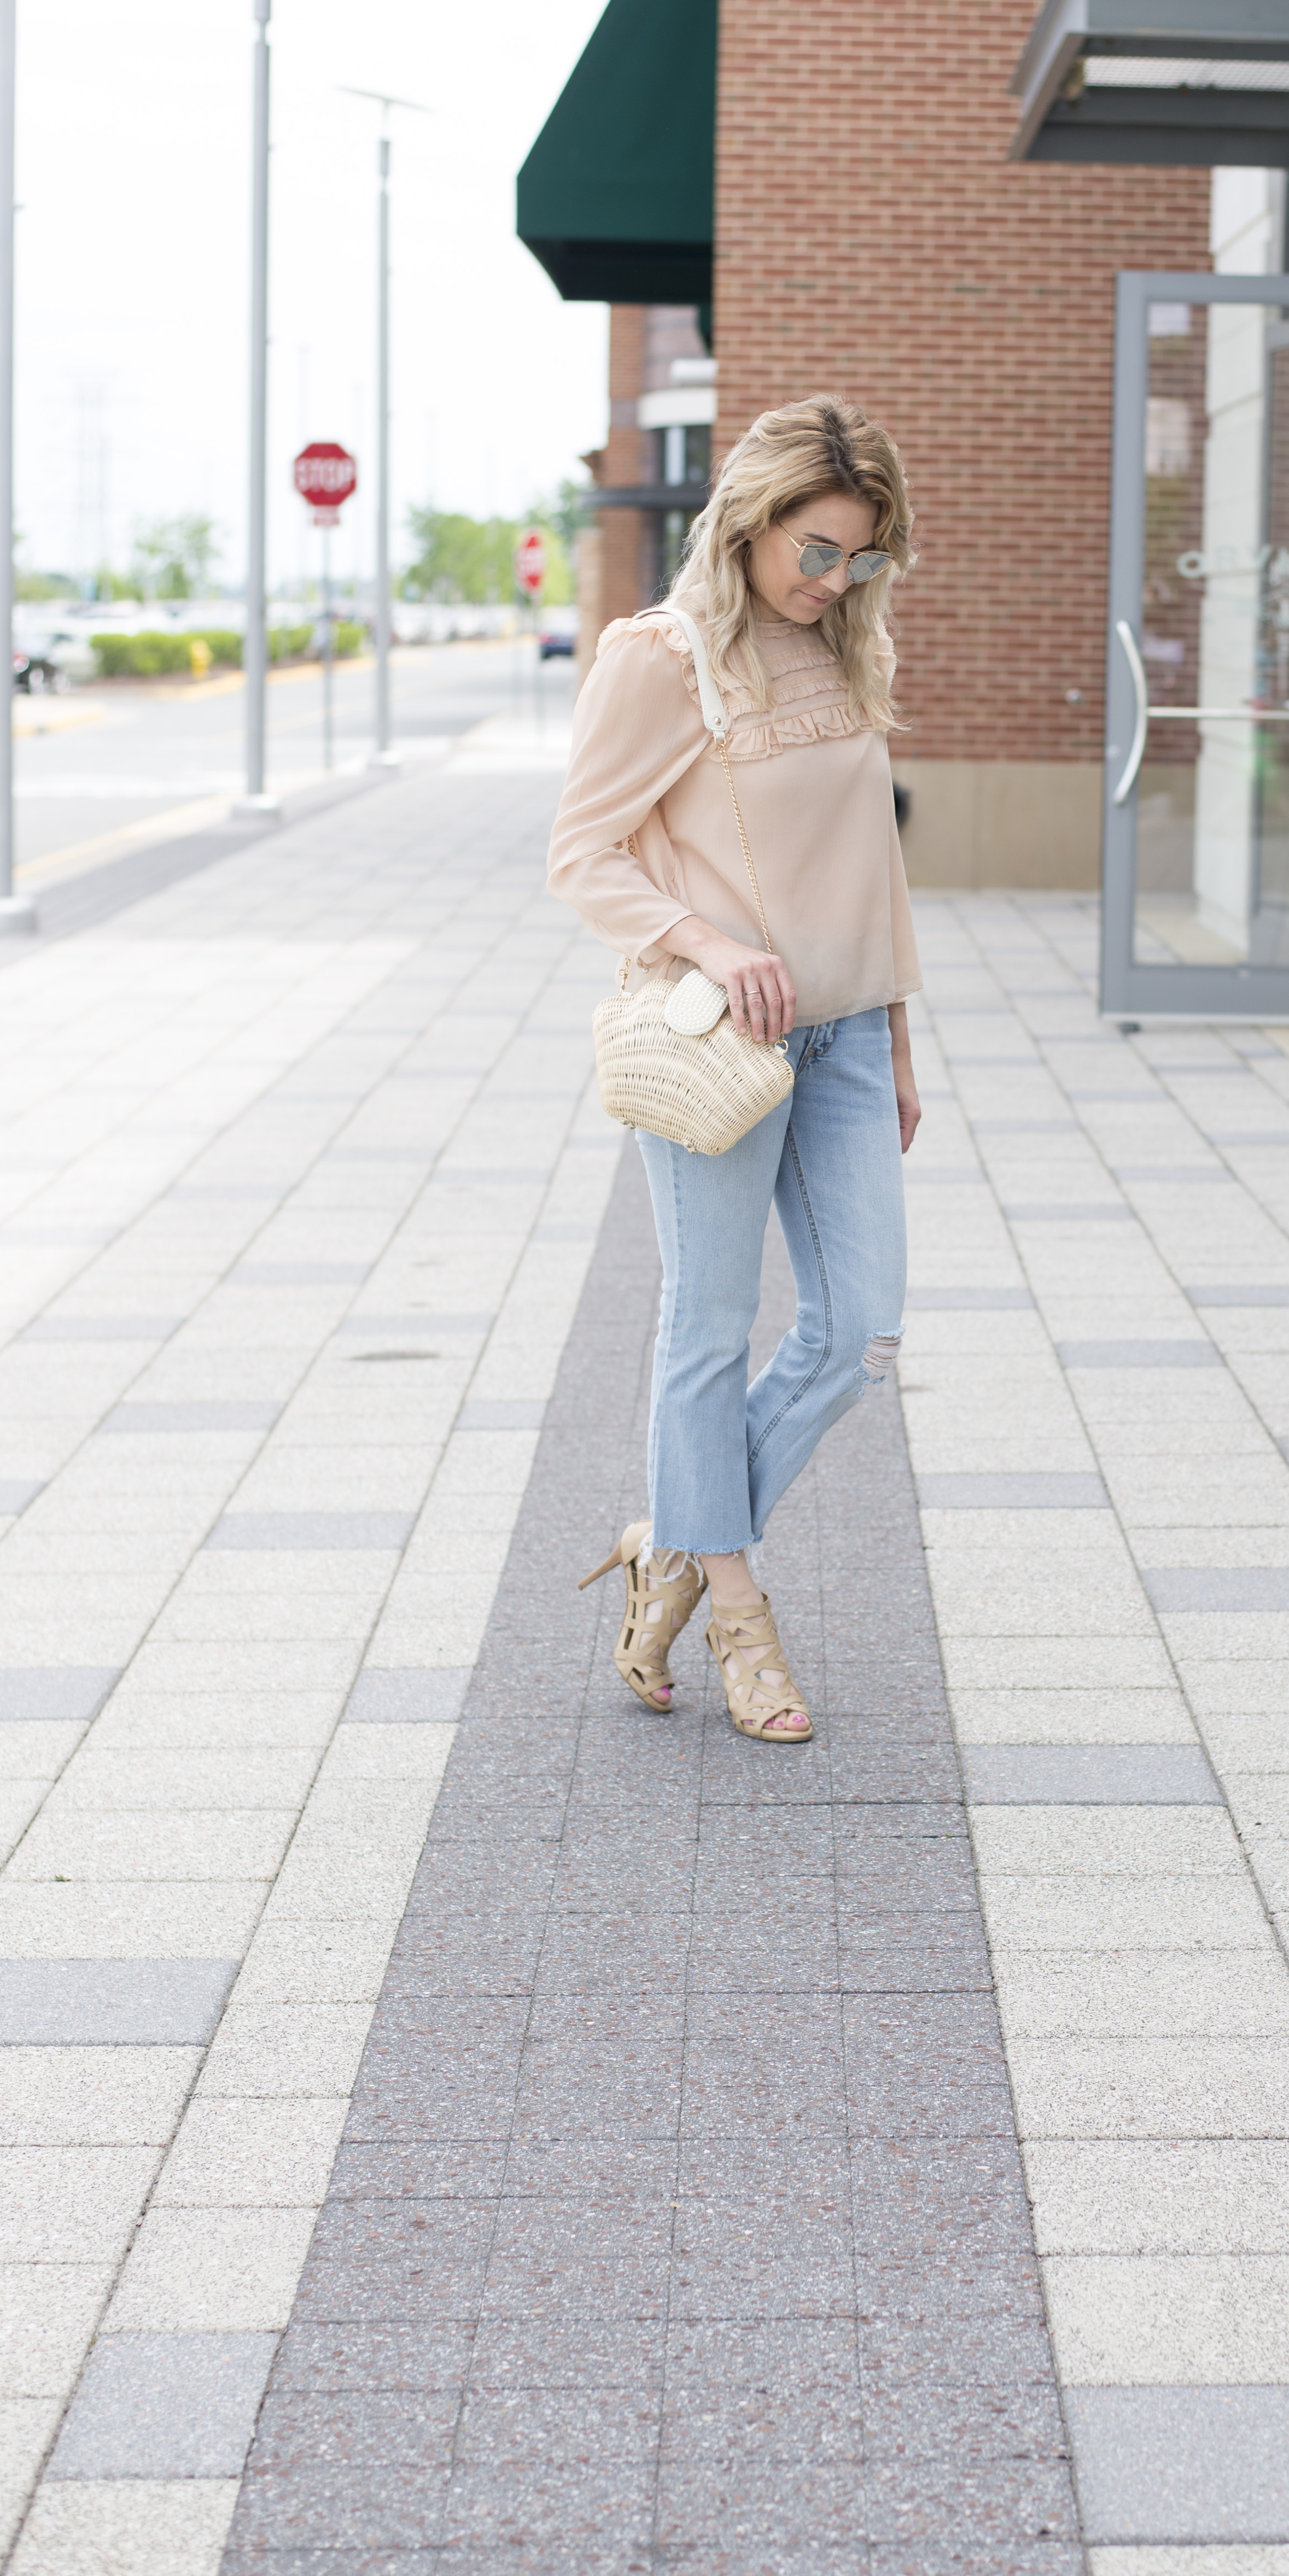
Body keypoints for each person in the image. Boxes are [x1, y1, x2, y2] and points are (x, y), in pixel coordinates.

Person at [547, 396, 921, 1742]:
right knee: (707, 1327)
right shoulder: (660, 657)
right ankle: (742, 1617)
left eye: (859, 559)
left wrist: (891, 1035)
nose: (834, 582)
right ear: (751, 522)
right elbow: (581, 852)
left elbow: (871, 862)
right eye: (817, 551)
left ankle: (674, 1543)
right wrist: (705, 935)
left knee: (856, 1328)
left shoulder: (844, 649)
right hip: (720, 1033)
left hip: (843, 1038)